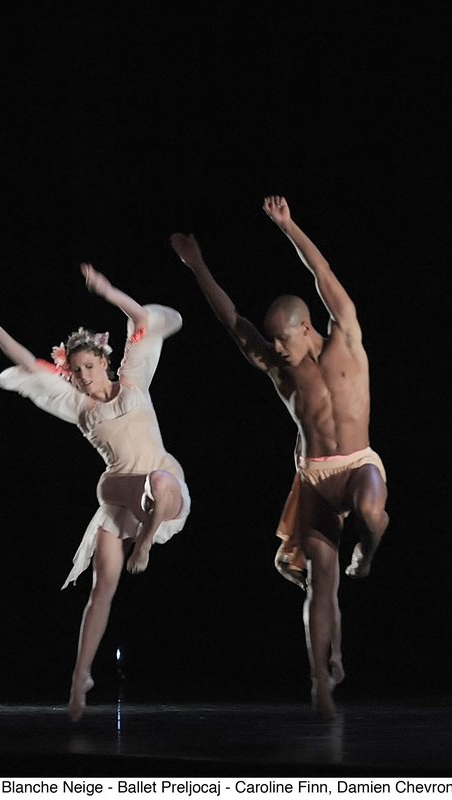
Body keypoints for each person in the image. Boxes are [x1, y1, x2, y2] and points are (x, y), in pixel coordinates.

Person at [170, 195, 389, 719]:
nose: (276, 347)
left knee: (371, 511)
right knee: (320, 583)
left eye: (283, 338)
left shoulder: (347, 336)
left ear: (306, 328)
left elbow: (322, 272)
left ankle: (367, 552)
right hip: (314, 478)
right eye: (272, 341)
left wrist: (289, 226)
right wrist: (197, 266)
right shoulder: (278, 368)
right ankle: (320, 684)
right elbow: (233, 321)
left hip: (358, 462)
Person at [0, 263, 190, 722]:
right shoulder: (77, 405)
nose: (84, 377)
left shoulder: (133, 380)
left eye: (89, 367)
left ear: (104, 362)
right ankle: (79, 679)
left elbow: (141, 321)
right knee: (101, 589)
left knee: (162, 483)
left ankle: (144, 542)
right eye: (77, 371)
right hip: (119, 495)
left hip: (158, 486)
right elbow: (30, 363)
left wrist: (107, 289)